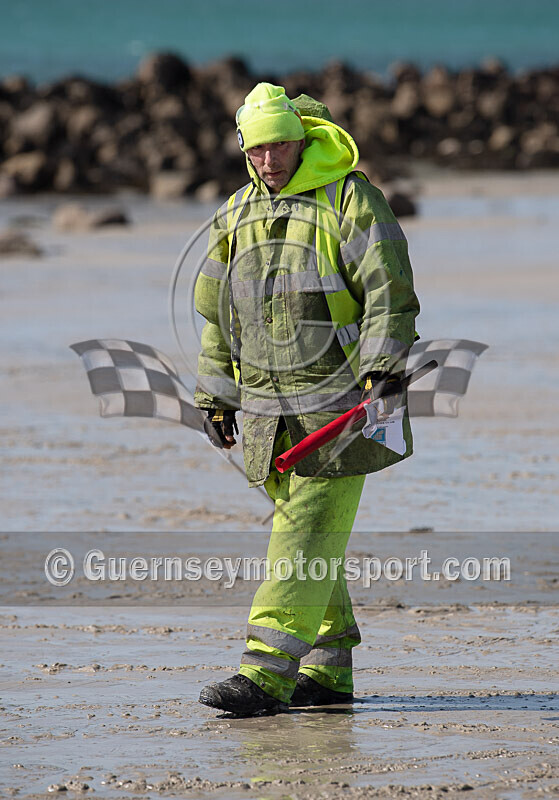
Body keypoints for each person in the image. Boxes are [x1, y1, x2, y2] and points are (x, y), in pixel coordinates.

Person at [194, 82, 419, 716]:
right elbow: (216, 315)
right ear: (244, 147)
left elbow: (389, 291)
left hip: (339, 405)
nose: (271, 160)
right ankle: (327, 671)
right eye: (258, 148)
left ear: (302, 138)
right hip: (265, 411)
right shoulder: (236, 212)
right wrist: (215, 395)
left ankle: (264, 677)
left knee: (300, 534)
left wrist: (383, 368)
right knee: (312, 538)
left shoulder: (351, 199)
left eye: (282, 144)